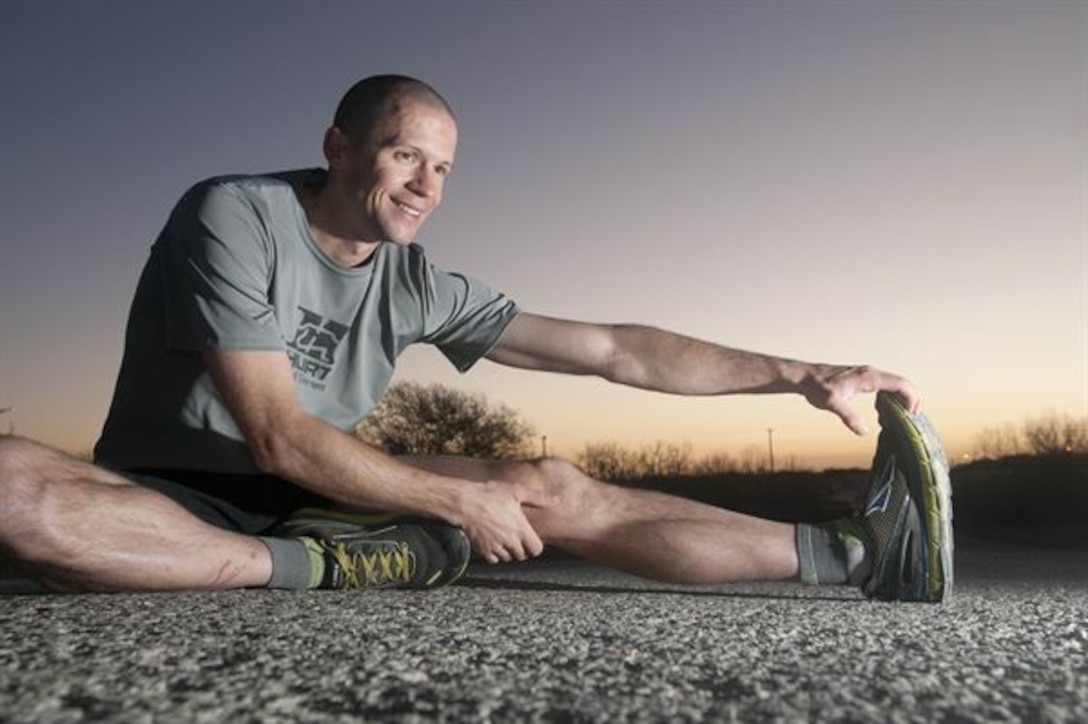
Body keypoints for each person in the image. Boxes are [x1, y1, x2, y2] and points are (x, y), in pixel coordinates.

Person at [0, 75, 952, 601]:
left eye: (444, 168)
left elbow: (615, 350)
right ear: (338, 148)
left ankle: (862, 556)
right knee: (12, 488)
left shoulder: (415, 281)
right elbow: (275, 437)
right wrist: (448, 504)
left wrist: (802, 373)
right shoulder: (233, 215)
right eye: (406, 154)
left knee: (552, 485)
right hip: (165, 487)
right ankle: (315, 568)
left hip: (318, 489)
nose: (426, 186)